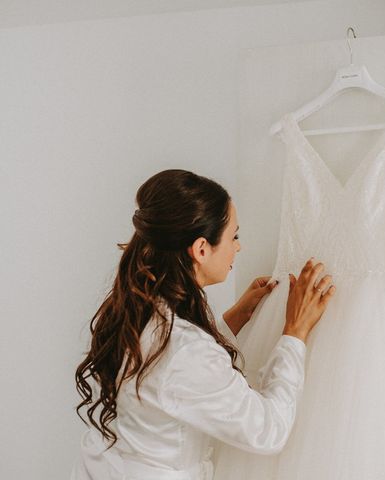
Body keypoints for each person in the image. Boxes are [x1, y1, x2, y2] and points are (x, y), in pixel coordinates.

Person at [71, 169, 335, 479]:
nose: (239, 247)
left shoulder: (131, 309)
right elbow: (268, 431)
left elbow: (173, 378)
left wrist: (233, 320)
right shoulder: (183, 350)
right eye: (233, 236)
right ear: (200, 249)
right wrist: (295, 332)